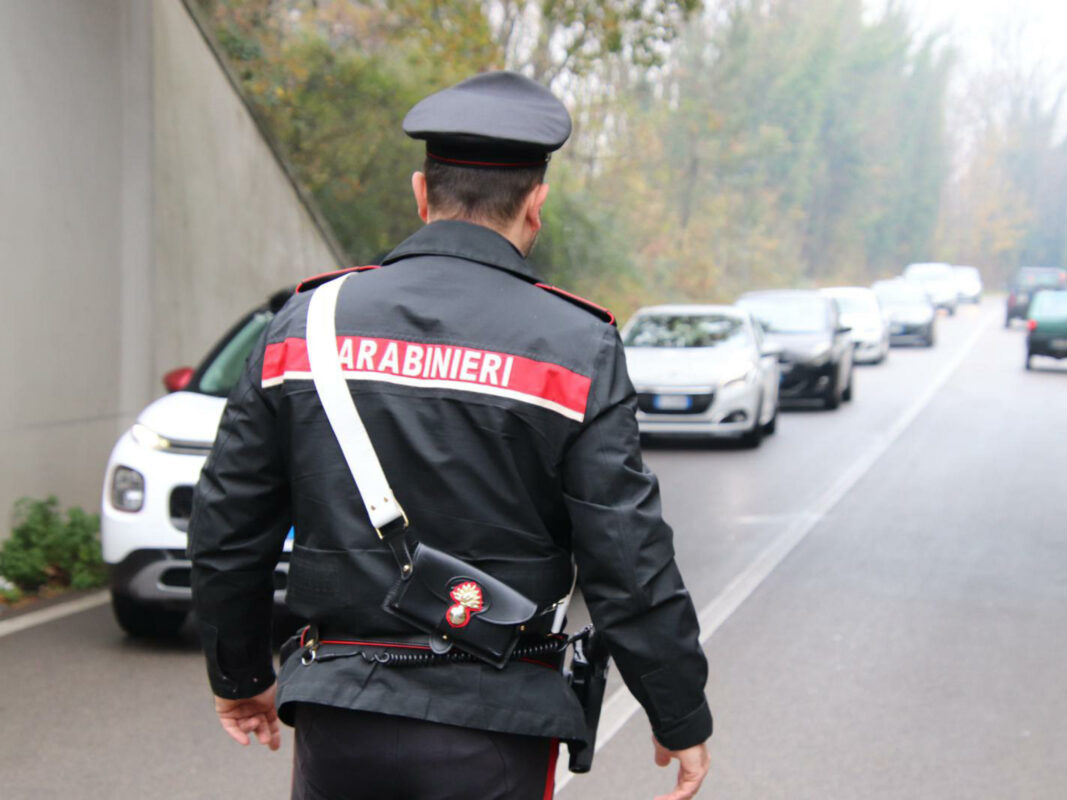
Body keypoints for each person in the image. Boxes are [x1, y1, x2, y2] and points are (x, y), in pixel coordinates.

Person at [189, 70, 712, 800]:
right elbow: (626, 556)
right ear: (536, 204)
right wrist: (676, 710)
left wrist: (239, 675)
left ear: (421, 193)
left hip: (339, 715)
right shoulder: (575, 346)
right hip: (499, 721)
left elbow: (227, 523)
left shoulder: (305, 325)